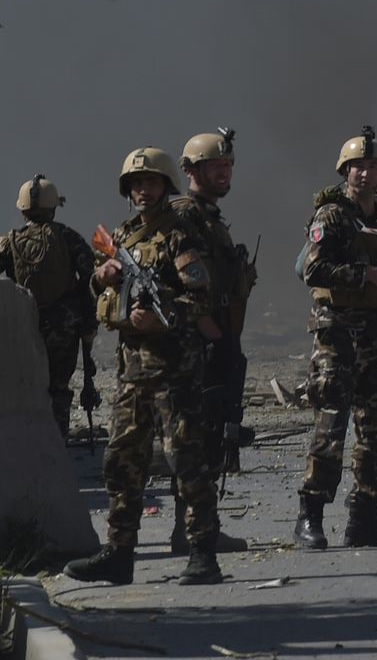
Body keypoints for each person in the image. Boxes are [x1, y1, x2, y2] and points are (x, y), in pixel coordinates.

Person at [63, 148, 223, 586]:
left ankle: (203, 552)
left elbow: (203, 300)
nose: (142, 190)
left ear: (166, 186)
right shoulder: (124, 235)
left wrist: (161, 312)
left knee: (187, 460)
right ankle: (119, 552)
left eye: (150, 182)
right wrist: (105, 277)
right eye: (135, 183)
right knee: (121, 461)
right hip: (133, 370)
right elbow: (101, 296)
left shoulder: (180, 235)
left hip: (174, 369)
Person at [293, 128, 377, 550]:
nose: (365, 173)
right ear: (344, 172)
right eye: (357, 167)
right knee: (331, 428)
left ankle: (364, 518)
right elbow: (313, 270)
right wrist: (367, 275)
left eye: (372, 166)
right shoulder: (331, 216)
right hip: (338, 337)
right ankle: (309, 516)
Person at [169, 129, 257, 555]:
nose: (224, 173)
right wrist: (213, 336)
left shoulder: (208, 217)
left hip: (219, 337)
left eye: (228, 166)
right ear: (191, 170)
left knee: (209, 433)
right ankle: (193, 531)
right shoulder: (185, 216)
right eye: (214, 167)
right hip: (199, 342)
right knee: (195, 436)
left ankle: (197, 527)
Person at [0, 175, 97, 438]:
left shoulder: (9, 241)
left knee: (25, 386)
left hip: (24, 326)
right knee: (58, 388)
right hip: (63, 325)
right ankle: (56, 443)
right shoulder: (66, 236)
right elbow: (91, 278)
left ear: (22, 209)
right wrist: (90, 323)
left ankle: (27, 444)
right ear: (54, 206)